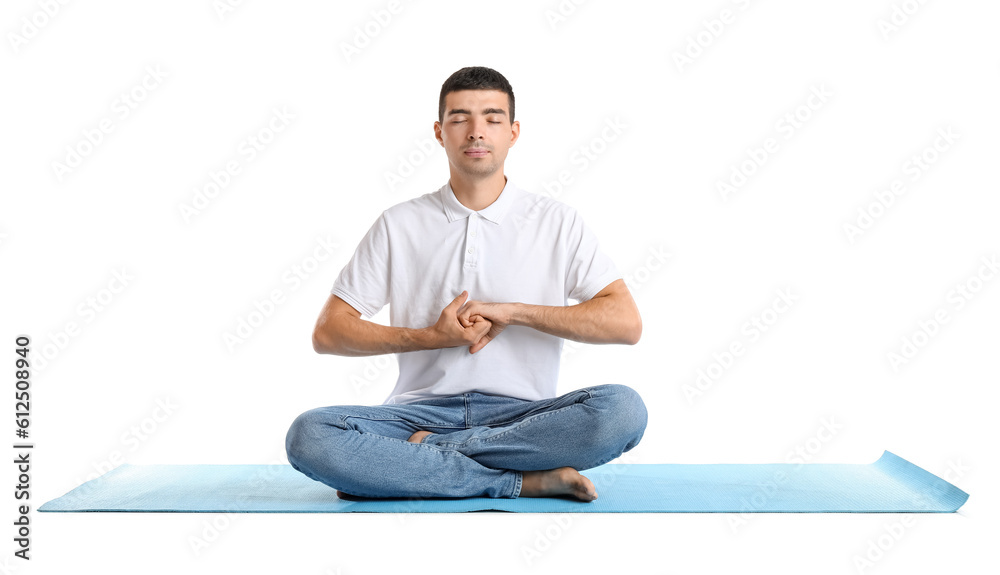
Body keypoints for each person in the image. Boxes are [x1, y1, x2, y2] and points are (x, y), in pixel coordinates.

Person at [285, 66, 647, 501]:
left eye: (493, 119)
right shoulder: (399, 223)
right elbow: (329, 333)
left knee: (622, 410)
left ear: (513, 133)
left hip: (524, 419)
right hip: (414, 415)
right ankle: (516, 480)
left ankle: (420, 461)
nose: (477, 132)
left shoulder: (557, 221)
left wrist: (515, 312)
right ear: (440, 132)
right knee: (310, 436)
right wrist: (429, 337)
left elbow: (626, 323)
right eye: (460, 119)